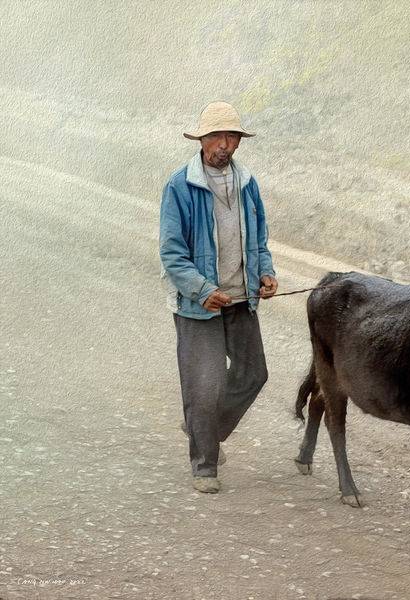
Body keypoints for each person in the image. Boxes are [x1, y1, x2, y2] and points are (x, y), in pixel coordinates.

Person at [159, 101, 278, 493]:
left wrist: (265, 273)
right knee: (203, 385)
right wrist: (202, 289)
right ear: (202, 140)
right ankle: (204, 465)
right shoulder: (180, 185)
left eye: (231, 137)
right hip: (198, 305)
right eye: (216, 137)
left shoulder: (247, 184)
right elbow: (172, 254)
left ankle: (203, 428)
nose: (224, 145)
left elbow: (258, 239)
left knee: (253, 373)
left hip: (241, 299)